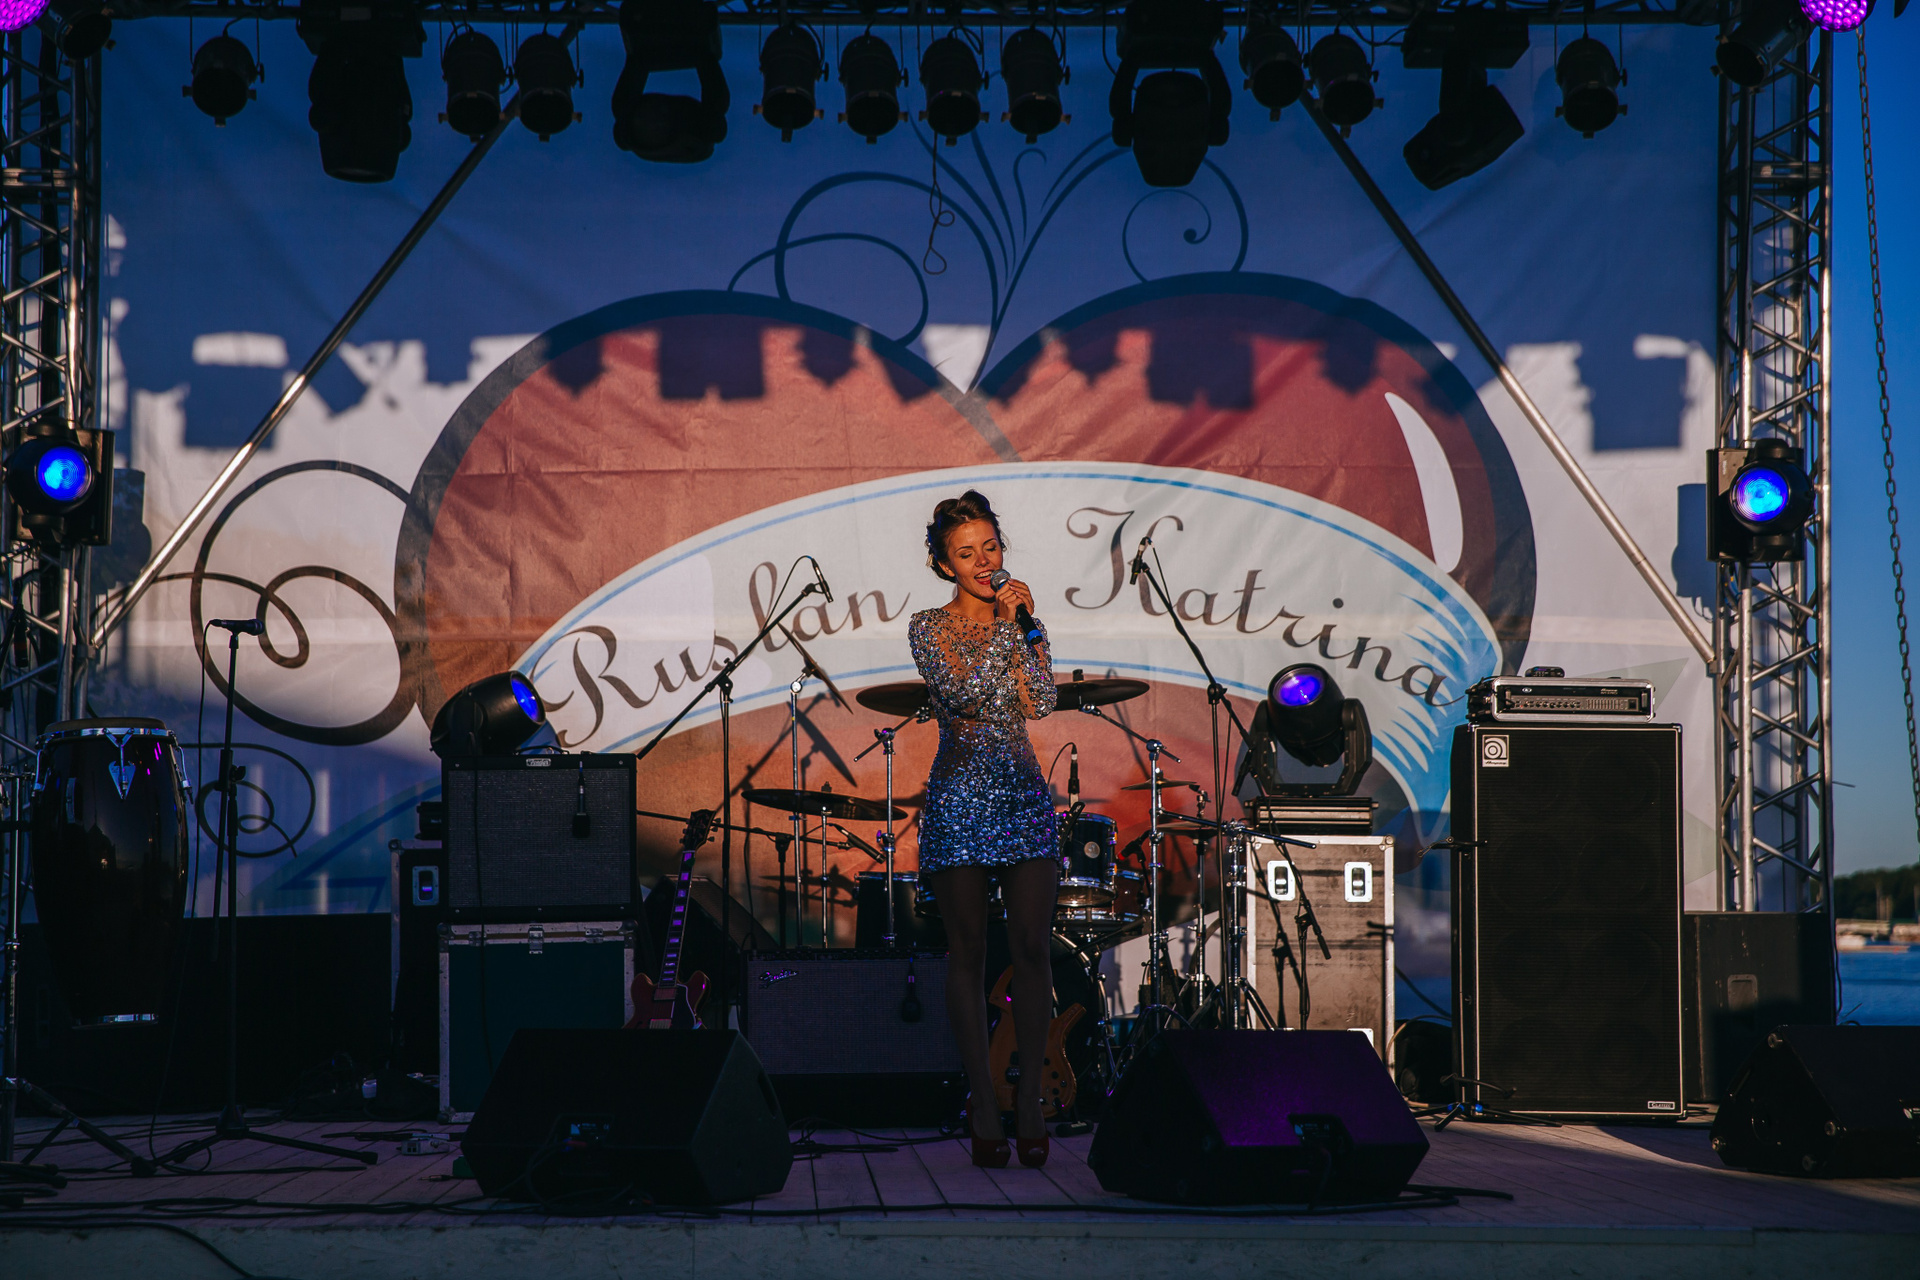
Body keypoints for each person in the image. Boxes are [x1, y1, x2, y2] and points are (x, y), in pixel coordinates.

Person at [908, 489, 1060, 1170]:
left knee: (1030, 947)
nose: (983, 562)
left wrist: (1027, 628)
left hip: (1023, 795)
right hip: (960, 797)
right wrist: (1004, 625)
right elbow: (963, 693)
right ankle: (983, 1101)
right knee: (967, 952)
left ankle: (1028, 1099)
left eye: (990, 548)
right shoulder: (928, 626)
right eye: (966, 554)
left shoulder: (1024, 622)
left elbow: (1041, 701)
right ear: (945, 566)